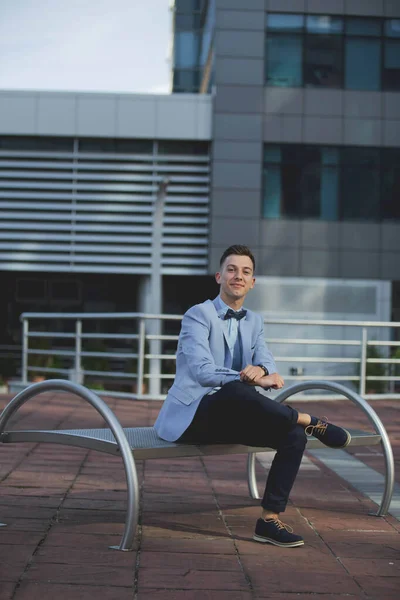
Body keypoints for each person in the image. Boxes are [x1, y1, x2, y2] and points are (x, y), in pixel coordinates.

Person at [154, 245, 351, 548]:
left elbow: (267, 362)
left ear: (252, 282)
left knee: (293, 437)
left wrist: (260, 370)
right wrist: (248, 378)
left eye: (245, 271)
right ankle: (309, 419)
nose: (238, 276)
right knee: (238, 390)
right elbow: (204, 373)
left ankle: (269, 520)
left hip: (234, 414)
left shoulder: (254, 321)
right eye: (231, 269)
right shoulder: (198, 315)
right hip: (193, 415)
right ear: (219, 277)